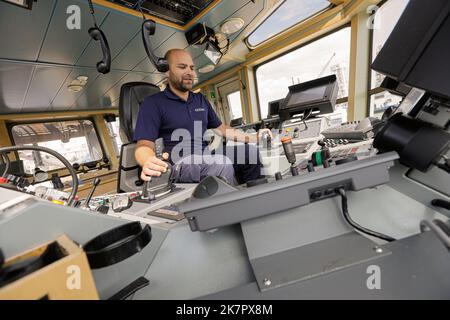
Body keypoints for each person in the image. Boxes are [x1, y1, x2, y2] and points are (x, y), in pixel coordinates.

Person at [133, 48, 272, 185]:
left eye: (192, 68)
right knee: (221, 165)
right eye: (182, 67)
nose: (189, 72)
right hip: (180, 163)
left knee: (250, 153)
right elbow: (143, 145)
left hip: (206, 155)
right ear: (167, 71)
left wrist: (255, 138)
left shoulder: (200, 99)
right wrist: (148, 160)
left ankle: (256, 199)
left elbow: (222, 128)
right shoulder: (153, 103)